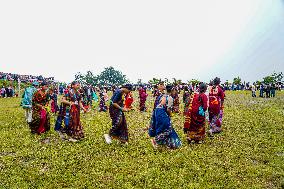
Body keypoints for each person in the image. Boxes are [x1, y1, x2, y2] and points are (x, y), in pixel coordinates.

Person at [148, 85, 182, 149]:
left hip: (157, 112)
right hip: (162, 113)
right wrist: (170, 115)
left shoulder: (162, 96)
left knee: (161, 128)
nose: (175, 92)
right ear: (172, 90)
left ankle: (165, 143)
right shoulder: (170, 98)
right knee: (168, 129)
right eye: (175, 90)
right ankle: (155, 140)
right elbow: (168, 110)